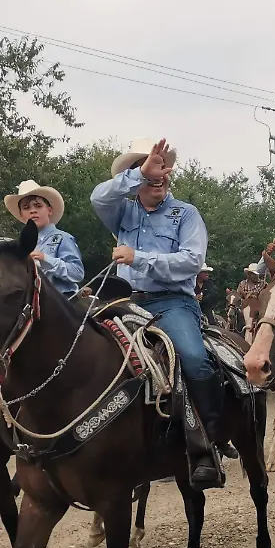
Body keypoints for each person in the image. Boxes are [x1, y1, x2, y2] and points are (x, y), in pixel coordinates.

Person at [90, 136, 226, 490]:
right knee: (86, 356)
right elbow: (97, 197)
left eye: (163, 168)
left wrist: (139, 258)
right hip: (124, 302)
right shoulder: (122, 211)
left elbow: (192, 261)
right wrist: (140, 174)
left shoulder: (186, 214)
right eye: (150, 168)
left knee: (195, 359)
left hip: (171, 302)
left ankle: (208, 441)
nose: (159, 174)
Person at [4, 180, 84, 298]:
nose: (32, 210)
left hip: (63, 301)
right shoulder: (19, 246)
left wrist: (45, 259)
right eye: (26, 208)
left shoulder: (62, 238)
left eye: (38, 206)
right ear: (21, 215)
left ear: (49, 210)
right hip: (32, 307)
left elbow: (77, 273)